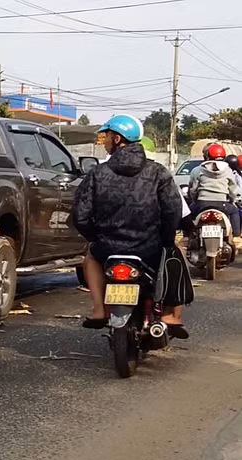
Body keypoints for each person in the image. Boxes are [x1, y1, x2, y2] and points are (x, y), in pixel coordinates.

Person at [73, 114, 188, 337]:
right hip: (150, 248)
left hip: (108, 249)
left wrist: (95, 238)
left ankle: (98, 310)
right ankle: (170, 315)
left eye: (106, 136)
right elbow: (172, 211)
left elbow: (80, 215)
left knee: (90, 258)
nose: (104, 141)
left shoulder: (97, 174)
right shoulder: (158, 173)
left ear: (117, 139)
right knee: (176, 255)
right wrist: (165, 241)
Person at [188, 143, 241, 240]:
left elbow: (193, 189)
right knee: (234, 211)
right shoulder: (228, 170)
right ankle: (237, 236)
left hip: (201, 204)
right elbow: (233, 190)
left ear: (206, 156)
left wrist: (194, 199)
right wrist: (232, 200)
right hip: (222, 205)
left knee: (188, 213)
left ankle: (188, 236)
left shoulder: (198, 170)